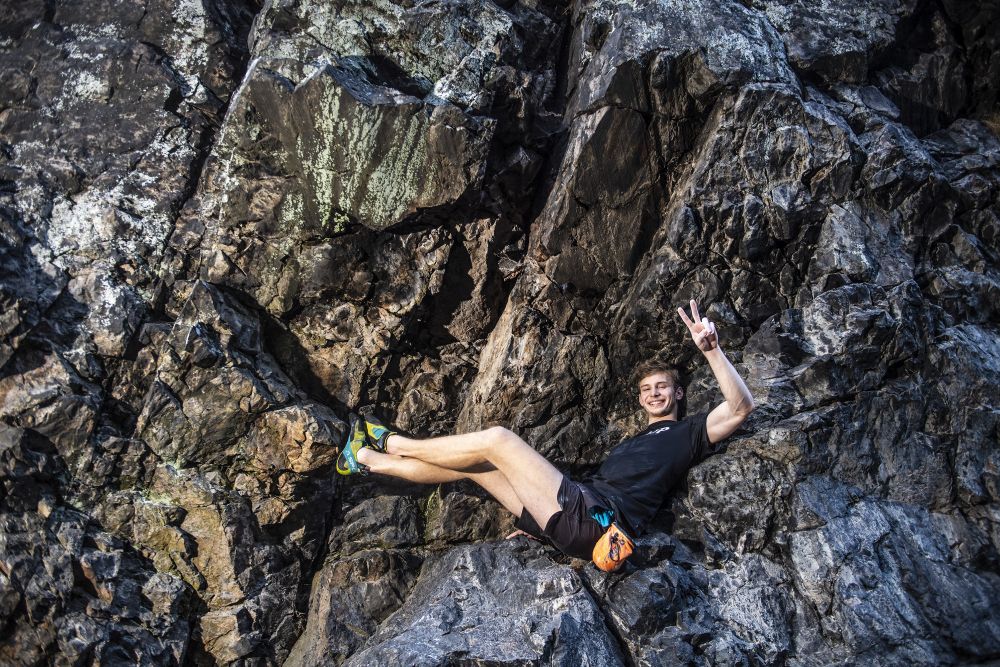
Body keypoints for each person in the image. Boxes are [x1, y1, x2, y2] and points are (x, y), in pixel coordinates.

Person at [336, 300, 755, 560]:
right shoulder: (635, 442)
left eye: (661, 387)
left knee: (498, 439)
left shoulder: (689, 433)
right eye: (646, 390)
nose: (653, 394)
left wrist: (712, 350)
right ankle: (366, 459)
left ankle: (392, 440)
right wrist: (539, 521)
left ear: (678, 394)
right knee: (474, 466)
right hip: (570, 512)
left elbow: (740, 408)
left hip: (595, 522)